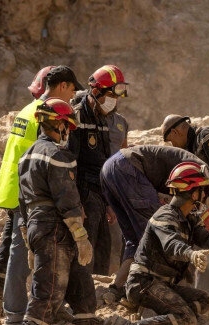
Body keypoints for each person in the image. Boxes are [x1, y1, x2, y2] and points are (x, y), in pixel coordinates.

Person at [0, 65, 83, 325]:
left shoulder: (29, 109)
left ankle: (9, 308)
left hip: (14, 185)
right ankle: (14, 315)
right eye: (72, 90)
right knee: (20, 252)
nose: (72, 97)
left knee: (16, 251)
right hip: (28, 192)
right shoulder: (46, 115)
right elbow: (43, 156)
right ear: (62, 86)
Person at [102, 162, 209, 325]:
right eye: (203, 190)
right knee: (187, 318)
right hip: (144, 282)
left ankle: (160, 316)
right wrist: (192, 255)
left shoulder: (188, 218)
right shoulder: (165, 216)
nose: (205, 195)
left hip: (162, 284)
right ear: (193, 193)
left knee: (203, 300)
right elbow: (171, 244)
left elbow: (208, 241)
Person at [100, 145, 209, 303]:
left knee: (134, 240)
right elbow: (168, 235)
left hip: (111, 168)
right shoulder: (199, 173)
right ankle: (141, 291)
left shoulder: (199, 173)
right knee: (154, 234)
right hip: (129, 169)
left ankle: (116, 289)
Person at [14, 98, 96, 325]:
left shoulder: (26, 157)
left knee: (81, 281)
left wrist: (28, 239)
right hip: (55, 228)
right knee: (48, 289)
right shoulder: (57, 155)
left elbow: (22, 204)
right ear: (59, 124)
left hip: (38, 226)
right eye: (67, 127)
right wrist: (81, 236)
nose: (68, 133)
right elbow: (67, 199)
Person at [69, 64, 129, 276]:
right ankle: (81, 299)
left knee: (103, 248)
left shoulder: (105, 120)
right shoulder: (76, 117)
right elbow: (68, 164)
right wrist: (75, 205)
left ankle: (97, 292)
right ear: (96, 92)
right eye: (111, 95)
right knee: (85, 250)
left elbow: (109, 163)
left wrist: (109, 201)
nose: (115, 101)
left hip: (100, 192)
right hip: (82, 192)